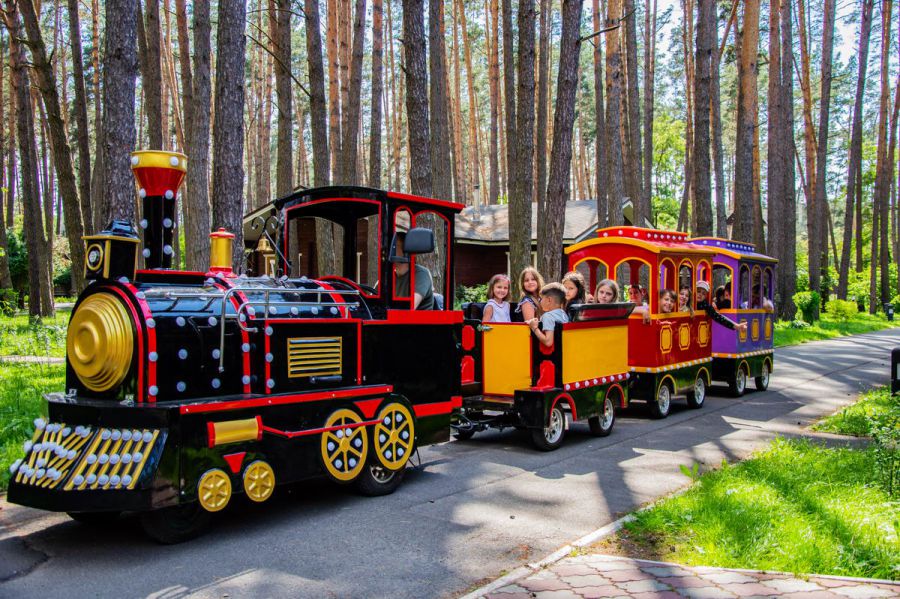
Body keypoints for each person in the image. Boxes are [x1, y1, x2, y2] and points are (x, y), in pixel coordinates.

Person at [393, 233, 434, 310]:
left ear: (406, 250)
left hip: (418, 321)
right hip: (396, 321)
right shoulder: (388, 277)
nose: (389, 250)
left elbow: (410, 308)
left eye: (394, 246)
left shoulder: (421, 274)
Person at [527, 283, 569, 347]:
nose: (540, 302)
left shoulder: (548, 316)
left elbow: (548, 342)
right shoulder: (564, 314)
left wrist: (534, 328)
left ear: (549, 300)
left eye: (541, 299)